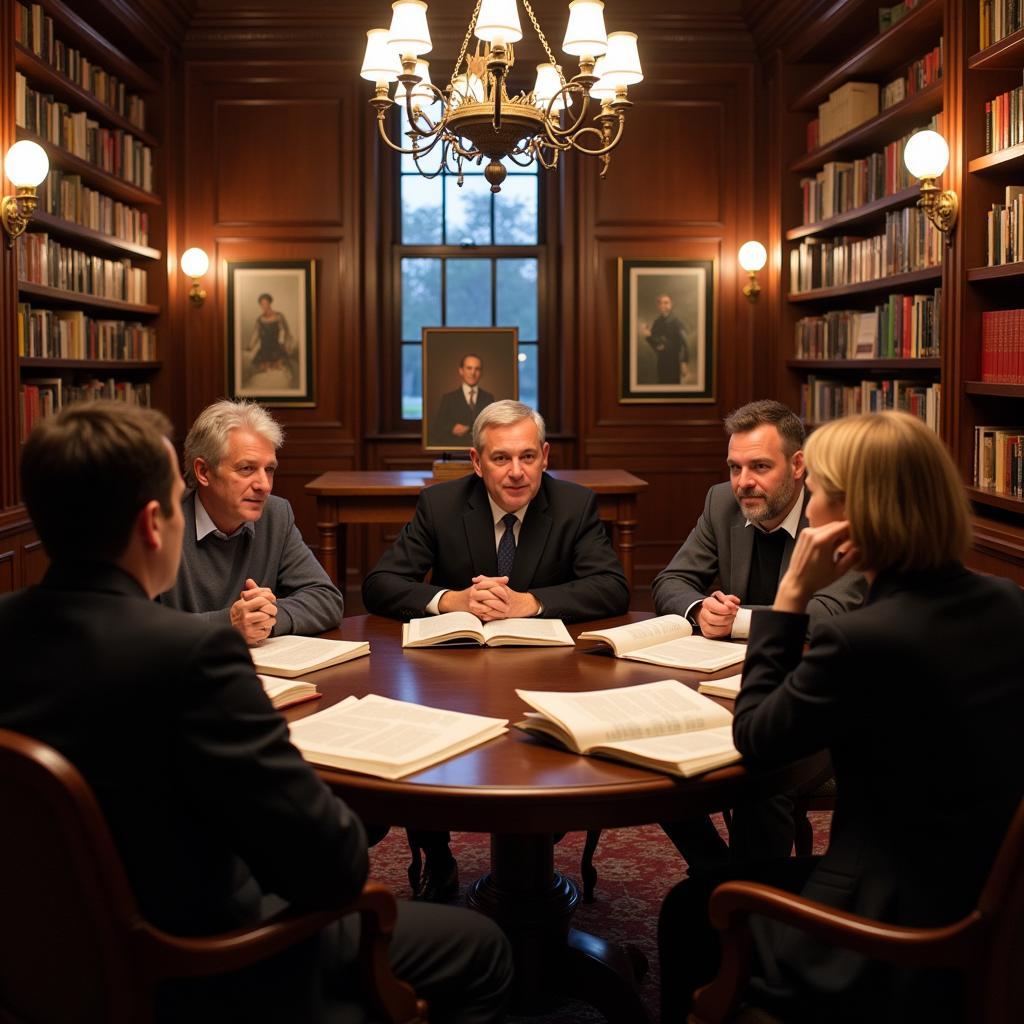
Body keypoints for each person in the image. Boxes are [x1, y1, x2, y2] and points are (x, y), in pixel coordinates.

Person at [1, 402, 513, 1024]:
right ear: (153, 524)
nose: (263, 483)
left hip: (44, 953)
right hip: (203, 959)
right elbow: (331, 865)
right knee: (483, 947)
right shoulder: (191, 658)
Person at [658, 411, 1024, 1024]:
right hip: (986, 897)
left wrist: (792, 597)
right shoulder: (1010, 603)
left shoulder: (862, 639)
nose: (811, 502)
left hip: (883, 929)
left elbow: (756, 738)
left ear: (856, 511)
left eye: (820, 488)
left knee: (691, 908)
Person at [364, 399, 630, 900]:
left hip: (546, 678)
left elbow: (612, 587)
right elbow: (380, 584)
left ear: (546, 456)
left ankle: (533, 870)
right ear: (476, 461)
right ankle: (437, 855)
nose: (516, 472)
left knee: (545, 774)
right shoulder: (440, 504)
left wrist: (532, 603)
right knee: (422, 748)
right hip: (451, 676)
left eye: (528, 457)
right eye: (501, 458)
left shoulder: (574, 505)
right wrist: (451, 600)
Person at [652, 400, 866, 869]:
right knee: (653, 759)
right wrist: (699, 608)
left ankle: (751, 899)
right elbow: (670, 581)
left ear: (797, 465)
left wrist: (740, 621)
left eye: (760, 467)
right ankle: (717, 874)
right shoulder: (722, 501)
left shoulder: (835, 510)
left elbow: (830, 612)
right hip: (725, 691)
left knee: (763, 776)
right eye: (735, 467)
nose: (744, 481)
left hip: (817, 701)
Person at [160, 399, 344, 644]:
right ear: (204, 472)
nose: (264, 486)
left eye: (269, 469)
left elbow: (326, 599)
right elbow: (132, 627)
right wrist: (228, 624)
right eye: (246, 469)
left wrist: (267, 619)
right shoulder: (160, 523)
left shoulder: (276, 514)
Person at [430, 353, 496, 448]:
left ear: (481, 372)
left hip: (481, 452)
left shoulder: (489, 398)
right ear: (461, 371)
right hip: (455, 452)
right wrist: (451, 429)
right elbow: (436, 430)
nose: (473, 373)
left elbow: (493, 428)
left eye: (477, 369)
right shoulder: (448, 398)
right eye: (469, 368)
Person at [641, 293, 689, 384]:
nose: (663, 305)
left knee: (673, 387)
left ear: (671, 304)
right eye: (660, 303)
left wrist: (684, 362)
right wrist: (648, 336)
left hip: (674, 362)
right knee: (662, 384)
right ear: (658, 306)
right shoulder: (657, 322)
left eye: (666, 303)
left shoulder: (677, 322)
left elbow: (684, 344)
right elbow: (655, 343)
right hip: (661, 362)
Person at [249, 292, 294, 372]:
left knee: (279, 370)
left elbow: (284, 331)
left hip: (276, 346)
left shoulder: (279, 316)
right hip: (264, 349)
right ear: (260, 305)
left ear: (270, 303)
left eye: (266, 303)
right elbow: (256, 333)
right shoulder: (260, 319)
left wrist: (284, 344)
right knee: (264, 371)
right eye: (262, 304)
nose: (264, 306)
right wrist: (251, 346)